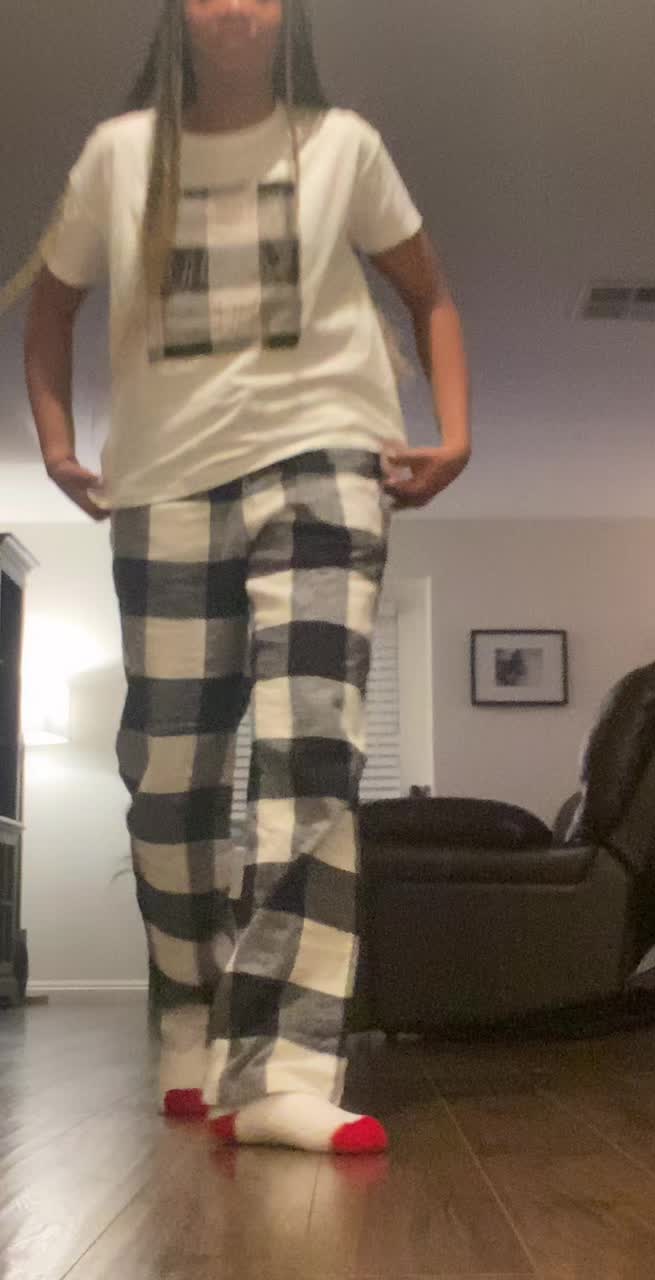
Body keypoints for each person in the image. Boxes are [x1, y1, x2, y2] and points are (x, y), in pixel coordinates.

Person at [22, 0, 471, 1156]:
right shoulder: (120, 155)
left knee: (311, 745)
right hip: (164, 480)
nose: (234, 6)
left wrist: (455, 428)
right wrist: (57, 444)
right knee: (169, 772)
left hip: (326, 458)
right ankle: (191, 1006)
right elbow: (52, 303)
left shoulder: (344, 145)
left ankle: (281, 1069)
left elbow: (428, 291)